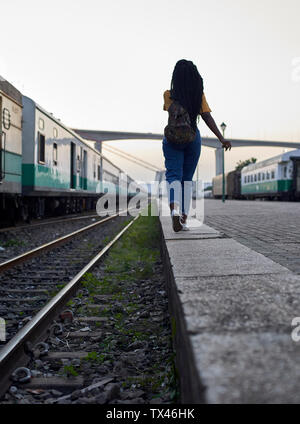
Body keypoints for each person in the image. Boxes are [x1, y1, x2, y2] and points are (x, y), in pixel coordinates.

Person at [162, 59, 231, 232]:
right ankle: (184, 220)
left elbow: (170, 111)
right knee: (187, 179)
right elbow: (207, 117)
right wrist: (221, 139)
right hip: (193, 137)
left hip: (172, 138)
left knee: (173, 175)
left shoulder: (168, 94)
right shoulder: (198, 96)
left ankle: (174, 211)